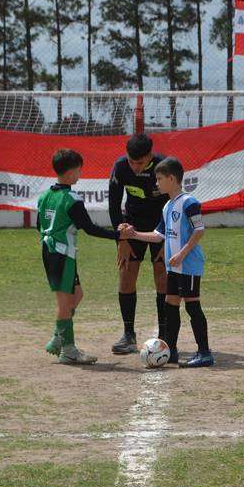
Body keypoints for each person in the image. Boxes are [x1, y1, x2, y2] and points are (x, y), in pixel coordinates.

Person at [121, 157, 213, 368]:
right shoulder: (167, 206)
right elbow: (158, 235)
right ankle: (170, 350)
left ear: (171, 179)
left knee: (192, 305)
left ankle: (205, 353)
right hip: (174, 267)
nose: (157, 183)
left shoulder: (189, 203)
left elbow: (199, 230)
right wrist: (133, 234)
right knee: (170, 305)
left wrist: (181, 254)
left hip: (188, 265)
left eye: (160, 179)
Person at [39, 149, 125, 365]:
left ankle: (58, 338)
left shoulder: (44, 196)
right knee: (65, 302)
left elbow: (38, 225)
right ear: (70, 173)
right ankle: (68, 350)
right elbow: (89, 228)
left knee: (76, 295)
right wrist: (118, 235)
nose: (80, 174)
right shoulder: (71, 199)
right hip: (61, 254)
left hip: (51, 252)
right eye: (79, 170)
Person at [108, 133, 169, 355]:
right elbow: (114, 205)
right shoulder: (120, 167)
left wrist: (167, 238)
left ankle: (165, 335)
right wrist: (122, 239)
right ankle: (128, 335)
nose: (135, 167)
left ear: (150, 155)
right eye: (131, 161)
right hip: (131, 226)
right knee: (126, 275)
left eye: (140, 163)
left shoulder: (164, 166)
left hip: (161, 226)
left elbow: (174, 203)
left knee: (162, 277)